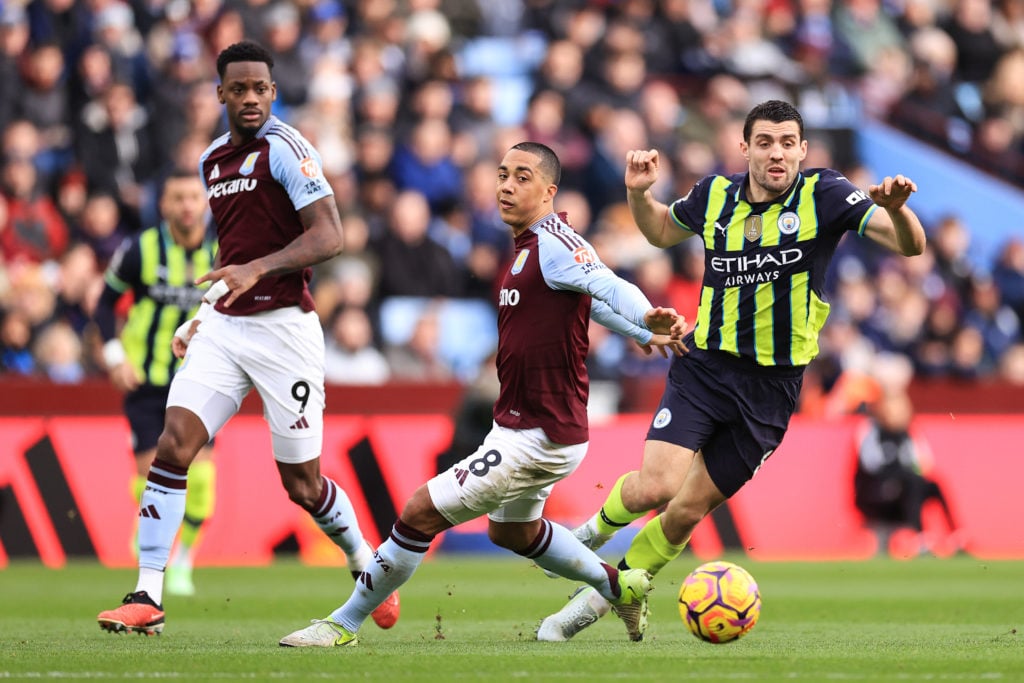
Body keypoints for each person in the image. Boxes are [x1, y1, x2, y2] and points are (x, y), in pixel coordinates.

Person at [538, 100, 928, 642]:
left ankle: (599, 599)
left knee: (686, 511)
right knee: (659, 484)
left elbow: (910, 246)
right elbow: (658, 234)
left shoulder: (827, 193)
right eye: (765, 142)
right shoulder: (713, 194)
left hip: (772, 391)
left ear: (803, 150)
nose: (777, 153)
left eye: (788, 142)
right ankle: (585, 538)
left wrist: (900, 208)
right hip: (705, 367)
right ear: (744, 148)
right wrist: (637, 194)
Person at [277, 141, 688, 648]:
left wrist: (647, 314)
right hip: (527, 423)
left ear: (548, 191)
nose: (506, 186)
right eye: (502, 175)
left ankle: (342, 624)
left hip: (537, 432)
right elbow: (589, 301)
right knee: (511, 532)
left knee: (418, 512)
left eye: (521, 177)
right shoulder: (525, 246)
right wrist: (641, 335)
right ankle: (617, 586)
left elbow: (606, 283)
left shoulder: (556, 242)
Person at [96, 40, 399, 636]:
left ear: (274, 92)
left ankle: (366, 565)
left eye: (261, 88)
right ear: (221, 95)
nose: (252, 98)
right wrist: (202, 313)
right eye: (240, 89)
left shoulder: (287, 149)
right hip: (227, 328)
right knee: (173, 445)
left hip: (285, 329)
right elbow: (232, 255)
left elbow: (330, 235)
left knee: (302, 484)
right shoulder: (212, 160)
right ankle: (147, 594)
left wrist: (258, 269)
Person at [93, 170, 219, 597]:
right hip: (147, 379)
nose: (186, 205)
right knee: (151, 473)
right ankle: (155, 558)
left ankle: (184, 559)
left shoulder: (224, 250)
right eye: (177, 197)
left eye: (192, 197)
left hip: (201, 377)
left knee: (200, 477)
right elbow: (105, 304)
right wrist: (114, 356)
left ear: (204, 202)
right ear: (163, 205)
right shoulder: (140, 249)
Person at [854, 387, 962, 556]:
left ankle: (956, 536)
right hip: (877, 492)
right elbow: (871, 463)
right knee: (911, 482)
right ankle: (920, 539)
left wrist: (910, 474)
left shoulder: (909, 432)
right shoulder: (870, 429)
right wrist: (899, 475)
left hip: (907, 487)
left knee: (932, 484)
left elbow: (924, 461)